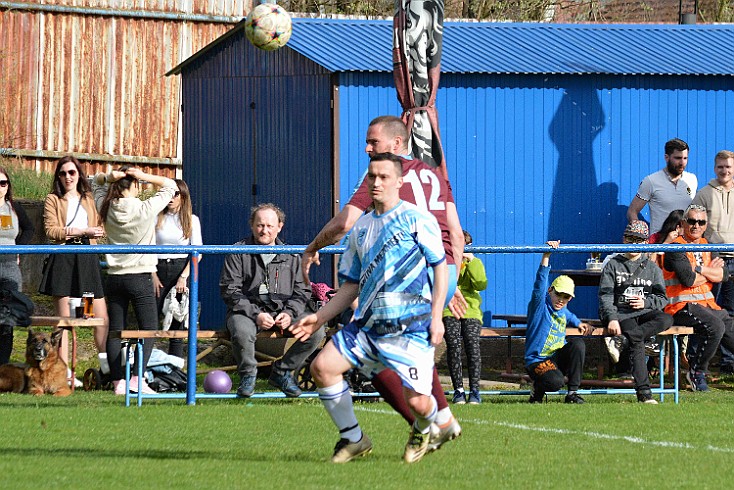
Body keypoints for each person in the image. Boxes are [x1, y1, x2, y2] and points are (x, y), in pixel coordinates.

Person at [301, 115, 462, 451]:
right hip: (439, 270)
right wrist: (450, 280)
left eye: (373, 142)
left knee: (381, 351)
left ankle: (425, 425)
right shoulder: (435, 174)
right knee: (398, 349)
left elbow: (344, 224)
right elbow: (456, 234)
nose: (367, 148)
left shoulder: (383, 173)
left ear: (396, 145)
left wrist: (313, 246)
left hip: (407, 278)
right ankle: (442, 419)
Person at [219, 203, 319, 398]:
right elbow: (230, 290)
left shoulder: (292, 254)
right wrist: (256, 314)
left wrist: (289, 313)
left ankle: (282, 372)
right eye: (260, 225)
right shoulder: (238, 251)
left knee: (316, 329)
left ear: (279, 227)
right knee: (241, 331)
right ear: (251, 225)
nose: (264, 230)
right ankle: (248, 376)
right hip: (246, 312)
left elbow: (302, 291)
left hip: (283, 311)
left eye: (269, 226)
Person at [93, 166, 177, 395]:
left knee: (115, 331)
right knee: (148, 328)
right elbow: (171, 186)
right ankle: (137, 379)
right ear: (135, 186)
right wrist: (145, 176)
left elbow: (94, 182)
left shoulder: (106, 207)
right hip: (140, 276)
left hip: (114, 276)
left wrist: (107, 178)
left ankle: (118, 382)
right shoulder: (144, 208)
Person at [38, 156, 109, 379]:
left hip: (87, 260)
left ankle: (106, 367)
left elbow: (99, 225)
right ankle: (64, 372)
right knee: (64, 321)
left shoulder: (88, 198)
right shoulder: (53, 199)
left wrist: (96, 231)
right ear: (58, 176)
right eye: (63, 173)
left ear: (78, 174)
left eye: (72, 172)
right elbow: (51, 230)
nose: (68, 177)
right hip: (63, 258)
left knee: (98, 316)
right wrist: (81, 231)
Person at [598, 221, 673, 404]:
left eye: (638, 240)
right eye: (630, 238)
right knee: (637, 341)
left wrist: (645, 302)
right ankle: (644, 393)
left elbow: (662, 298)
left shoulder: (652, 267)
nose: (634, 244)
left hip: (644, 313)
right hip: (621, 314)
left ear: (646, 243)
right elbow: (605, 295)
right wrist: (612, 319)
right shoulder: (613, 264)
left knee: (666, 319)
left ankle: (623, 340)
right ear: (624, 239)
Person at [662, 204, 734, 391]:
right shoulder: (676, 247)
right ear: (684, 223)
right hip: (679, 306)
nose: (696, 226)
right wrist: (711, 272)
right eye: (692, 221)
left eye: (701, 222)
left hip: (707, 304)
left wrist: (700, 269)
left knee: (729, 326)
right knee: (716, 326)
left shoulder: (708, 245)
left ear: (706, 224)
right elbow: (688, 279)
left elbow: (724, 275)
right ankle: (696, 372)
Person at [525, 240, 593, 404]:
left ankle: (572, 394)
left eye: (566, 297)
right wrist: (546, 255)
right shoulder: (540, 305)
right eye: (558, 295)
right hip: (538, 360)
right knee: (555, 382)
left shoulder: (562, 309)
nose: (561, 300)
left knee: (578, 344)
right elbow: (540, 282)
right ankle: (537, 392)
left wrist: (578, 323)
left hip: (556, 357)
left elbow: (568, 315)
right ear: (550, 291)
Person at [691, 150, 734, 374]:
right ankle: (697, 362)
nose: (724, 171)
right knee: (706, 309)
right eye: (720, 166)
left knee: (731, 311)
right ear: (714, 168)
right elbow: (693, 225)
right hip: (713, 258)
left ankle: (728, 363)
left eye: (728, 166)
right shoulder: (704, 194)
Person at [152, 179, 202, 359]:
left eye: (176, 194)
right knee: (150, 319)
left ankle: (176, 367)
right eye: (168, 193)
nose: (171, 198)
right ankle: (143, 369)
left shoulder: (191, 220)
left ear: (183, 196)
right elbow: (147, 245)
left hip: (181, 269)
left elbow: (198, 253)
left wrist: (184, 277)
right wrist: (153, 274)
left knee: (177, 321)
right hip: (157, 268)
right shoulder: (156, 216)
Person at [443, 230, 487, 405]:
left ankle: (475, 391)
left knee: (472, 343)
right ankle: (458, 390)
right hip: (450, 307)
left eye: (466, 246)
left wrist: (472, 261)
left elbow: (481, 283)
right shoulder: (445, 262)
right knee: (453, 344)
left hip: (471, 309)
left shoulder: (474, 262)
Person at [0, 166, 34, 365]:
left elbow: (29, 228)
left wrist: (19, 248)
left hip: (10, 265)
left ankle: (3, 367)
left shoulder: (14, 207)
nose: (0, 187)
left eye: (3, 183)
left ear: (8, 186)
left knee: (7, 318)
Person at [627, 138, 698, 234]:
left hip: (686, 243)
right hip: (660, 244)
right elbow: (632, 211)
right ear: (666, 157)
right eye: (677, 158)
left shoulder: (692, 179)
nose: (682, 163)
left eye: (685, 158)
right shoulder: (651, 181)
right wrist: (639, 234)